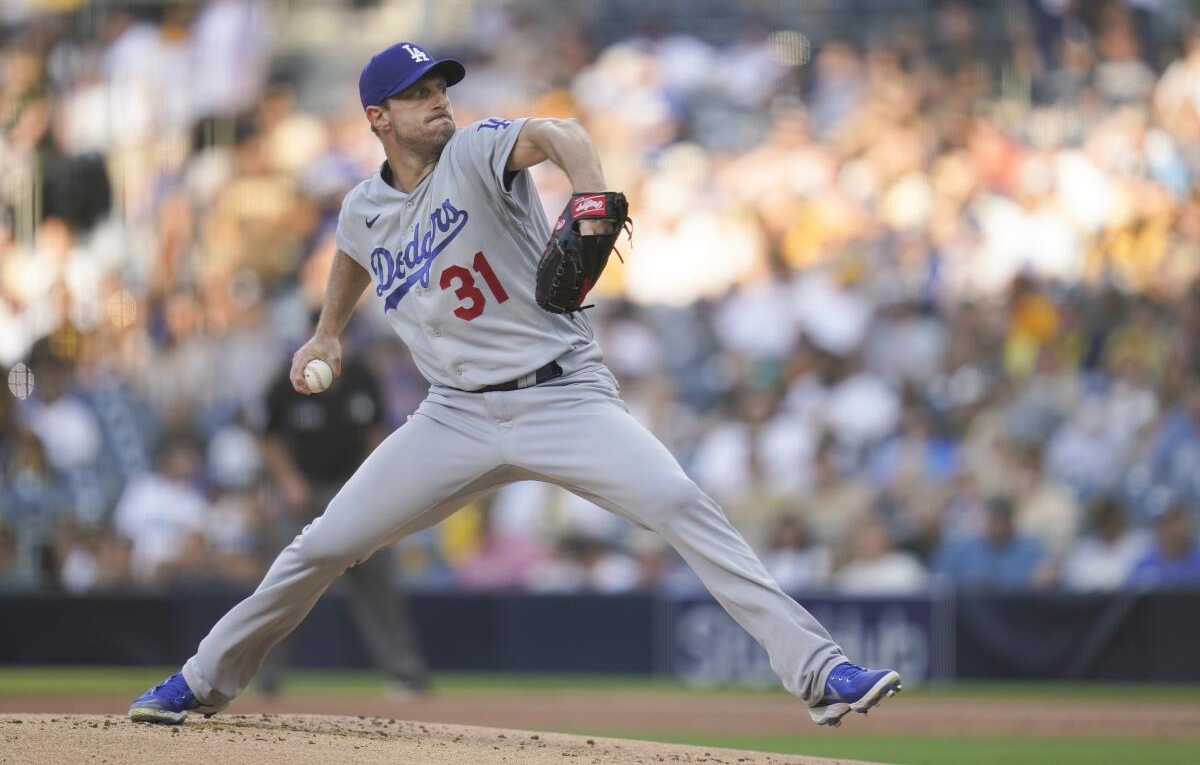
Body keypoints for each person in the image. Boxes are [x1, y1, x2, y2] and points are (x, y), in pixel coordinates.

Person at [128, 41, 900, 728]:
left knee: (680, 503)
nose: (439, 101)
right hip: (453, 416)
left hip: (561, 396)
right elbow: (354, 251)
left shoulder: (474, 151)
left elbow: (558, 134)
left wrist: (591, 191)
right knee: (321, 544)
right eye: (418, 93)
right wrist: (328, 329)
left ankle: (820, 672)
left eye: (441, 87)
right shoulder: (365, 207)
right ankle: (201, 681)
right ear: (378, 118)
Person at [256, 340, 428, 696]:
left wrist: (370, 483)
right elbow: (268, 437)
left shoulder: (361, 377)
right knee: (285, 583)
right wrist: (288, 482)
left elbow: (377, 435)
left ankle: (405, 673)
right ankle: (265, 675)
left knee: (378, 582)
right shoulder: (285, 380)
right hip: (304, 495)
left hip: (352, 490)